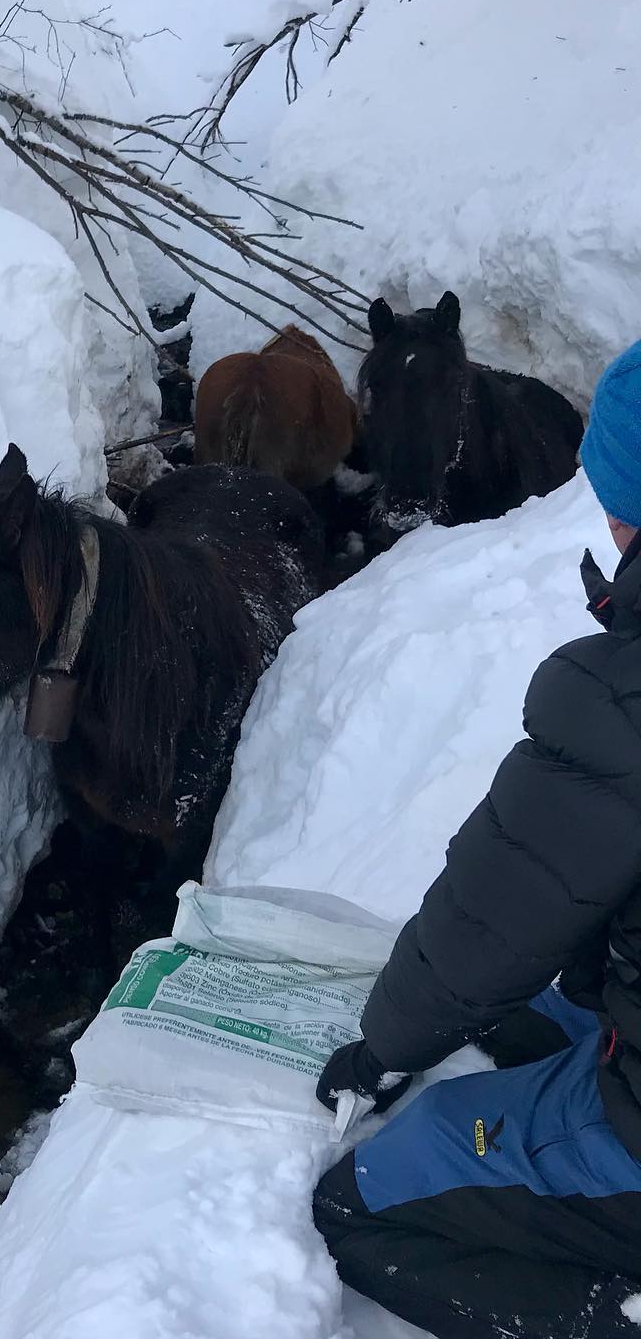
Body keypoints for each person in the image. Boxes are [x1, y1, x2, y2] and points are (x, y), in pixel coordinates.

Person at [311, 338, 641, 1339]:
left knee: (359, 1204)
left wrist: (383, 1047)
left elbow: (492, 919)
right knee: (529, 1018)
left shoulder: (618, 704)